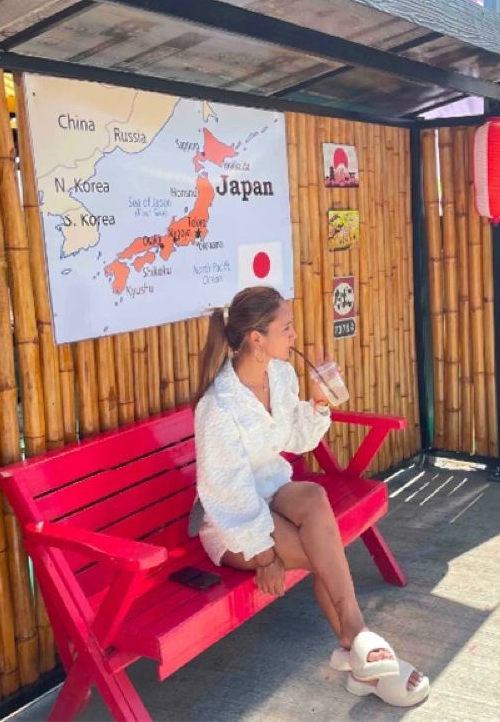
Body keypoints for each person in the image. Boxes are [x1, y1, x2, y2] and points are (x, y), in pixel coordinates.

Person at [191, 285, 429, 707]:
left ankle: (355, 638)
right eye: (286, 328)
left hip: (272, 490)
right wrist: (265, 556)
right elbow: (226, 493)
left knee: (315, 497)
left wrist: (318, 402)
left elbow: (294, 440)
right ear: (256, 339)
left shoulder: (280, 375)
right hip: (233, 524)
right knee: (323, 554)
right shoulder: (219, 407)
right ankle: (361, 653)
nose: (295, 335)